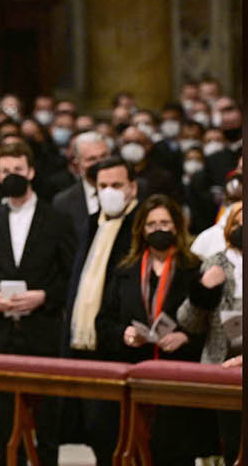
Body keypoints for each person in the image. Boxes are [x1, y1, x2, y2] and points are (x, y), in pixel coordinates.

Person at [0, 142, 74, 466]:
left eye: (17, 170)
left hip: (43, 330)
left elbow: (72, 274)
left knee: (48, 419)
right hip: (2, 332)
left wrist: (45, 296)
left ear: (30, 171)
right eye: (4, 171)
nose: (11, 176)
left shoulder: (57, 218)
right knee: (4, 419)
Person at [96, 194, 212, 465]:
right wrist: (124, 334)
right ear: (141, 230)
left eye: (165, 223)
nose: (158, 229)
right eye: (151, 224)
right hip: (136, 374)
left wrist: (185, 336)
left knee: (176, 455)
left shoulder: (194, 268)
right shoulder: (125, 270)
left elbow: (210, 322)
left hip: (179, 377)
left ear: (176, 226)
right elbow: (104, 322)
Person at [64, 156, 141, 463]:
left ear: (132, 187)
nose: (109, 191)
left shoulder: (141, 225)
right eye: (103, 186)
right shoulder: (92, 222)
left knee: (125, 432)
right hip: (87, 343)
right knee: (97, 430)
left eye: (117, 185)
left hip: (123, 344)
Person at [178, 202, 243, 464]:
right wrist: (203, 289)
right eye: (237, 223)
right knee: (231, 444)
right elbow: (188, 322)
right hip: (223, 366)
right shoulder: (216, 262)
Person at [52, 131, 110, 253]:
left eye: (104, 156)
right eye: (91, 159)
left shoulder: (132, 191)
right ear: (77, 165)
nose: (100, 163)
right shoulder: (62, 202)